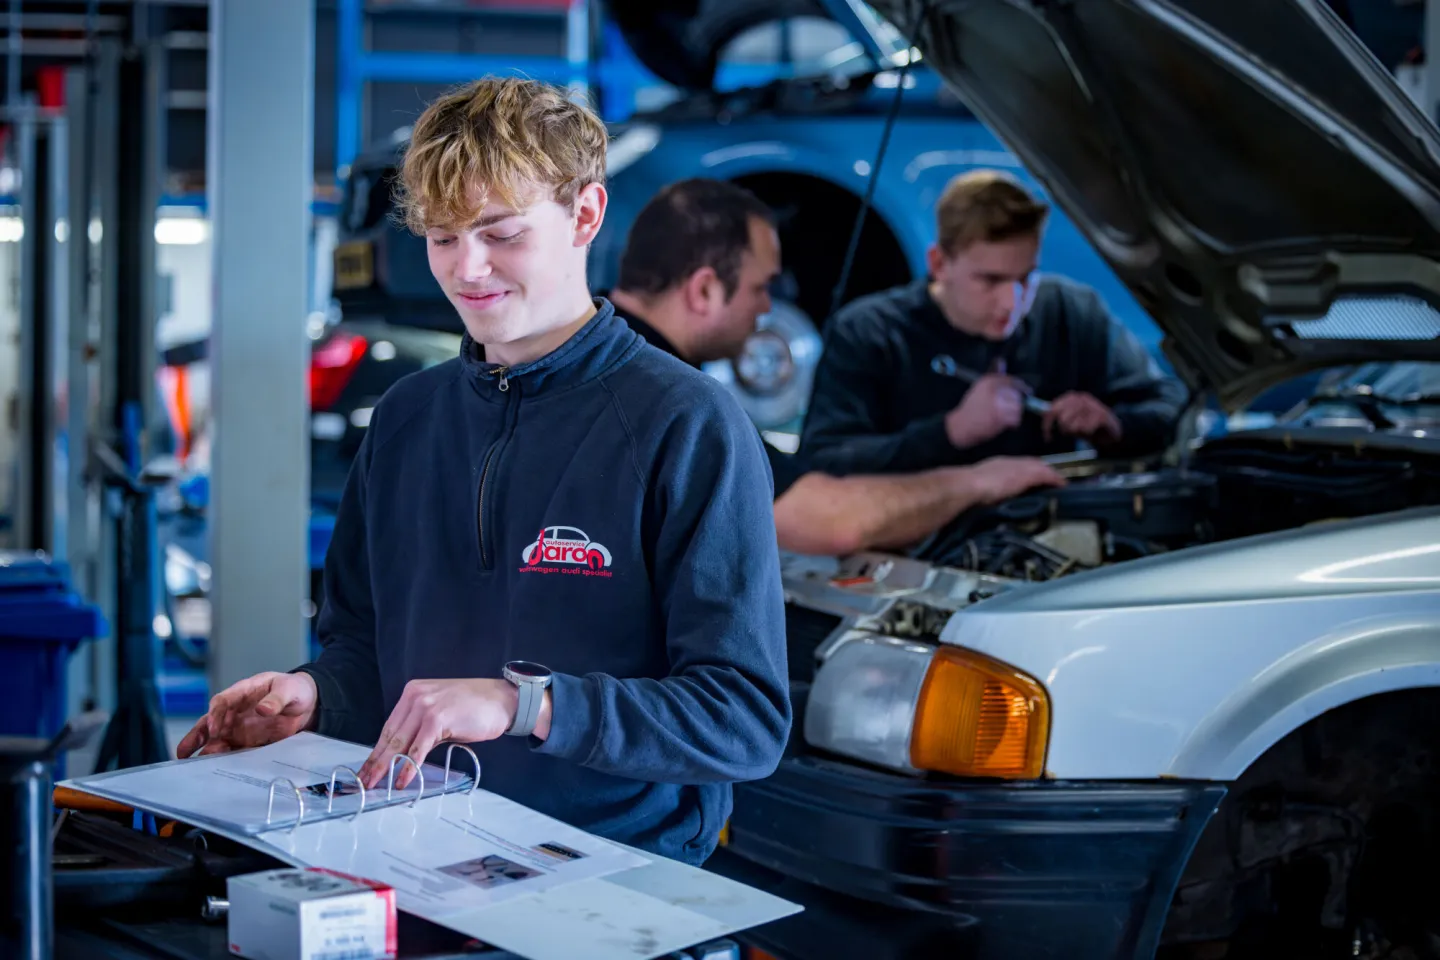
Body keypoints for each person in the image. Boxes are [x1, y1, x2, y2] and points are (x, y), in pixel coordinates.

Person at [176, 78, 790, 867]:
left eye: (500, 233)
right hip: (412, 856)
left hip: (611, 877)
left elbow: (741, 720)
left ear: (585, 214)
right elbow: (365, 654)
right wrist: (316, 695)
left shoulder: (687, 424)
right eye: (442, 237)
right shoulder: (405, 419)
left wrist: (524, 705)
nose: (468, 268)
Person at [606, 178, 1065, 557]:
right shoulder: (664, 394)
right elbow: (831, 522)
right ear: (704, 290)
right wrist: (981, 481)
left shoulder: (598, 350)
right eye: (761, 288)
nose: (767, 310)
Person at [797, 169, 1187, 477]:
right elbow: (824, 462)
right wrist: (950, 432)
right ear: (939, 265)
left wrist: (1114, 426)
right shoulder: (869, 332)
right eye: (991, 280)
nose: (1012, 302)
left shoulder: (1071, 312)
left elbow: (1173, 408)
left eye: (1025, 278)